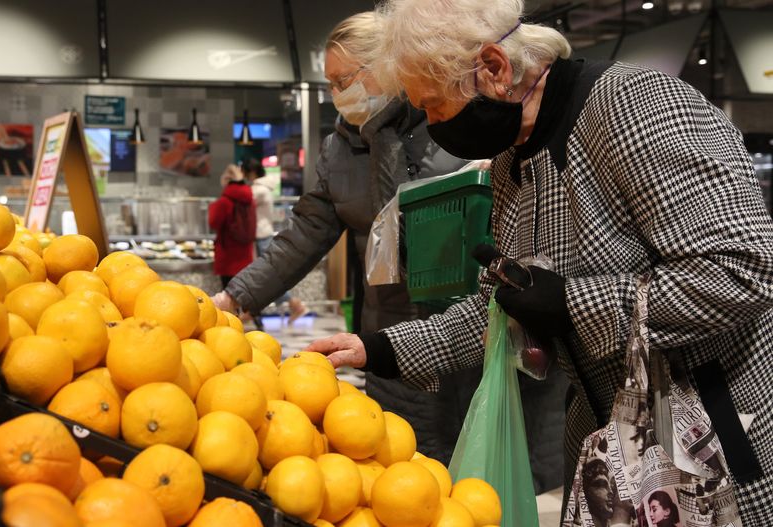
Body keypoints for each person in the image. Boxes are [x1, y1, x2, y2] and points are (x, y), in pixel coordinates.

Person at [306, 0, 773, 522]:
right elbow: (499, 310)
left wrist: (572, 305)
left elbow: (743, 270)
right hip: (611, 445)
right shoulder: (512, 163)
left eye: (435, 106)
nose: (434, 126)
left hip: (711, 439)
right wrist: (375, 348)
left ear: (495, 68)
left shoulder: (634, 105)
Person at [212, 11, 484, 466]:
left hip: (463, 326)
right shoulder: (339, 147)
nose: (338, 95)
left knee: (463, 465)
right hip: (386, 330)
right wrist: (235, 297)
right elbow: (305, 232)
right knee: (394, 461)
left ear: (390, 66)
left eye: (345, 80)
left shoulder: (449, 122)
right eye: (332, 85)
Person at [241, 158, 307, 324]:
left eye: (244, 172)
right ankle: (252, 312)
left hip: (260, 236)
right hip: (263, 234)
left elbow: (241, 203)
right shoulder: (264, 188)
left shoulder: (258, 190)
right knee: (266, 276)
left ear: (251, 172)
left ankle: (293, 304)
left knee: (267, 277)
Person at [208, 164, 255, 289]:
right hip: (246, 255)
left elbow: (213, 223)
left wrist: (213, 206)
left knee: (229, 300)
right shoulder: (250, 200)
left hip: (228, 257)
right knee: (244, 296)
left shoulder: (224, 202)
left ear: (226, 181)